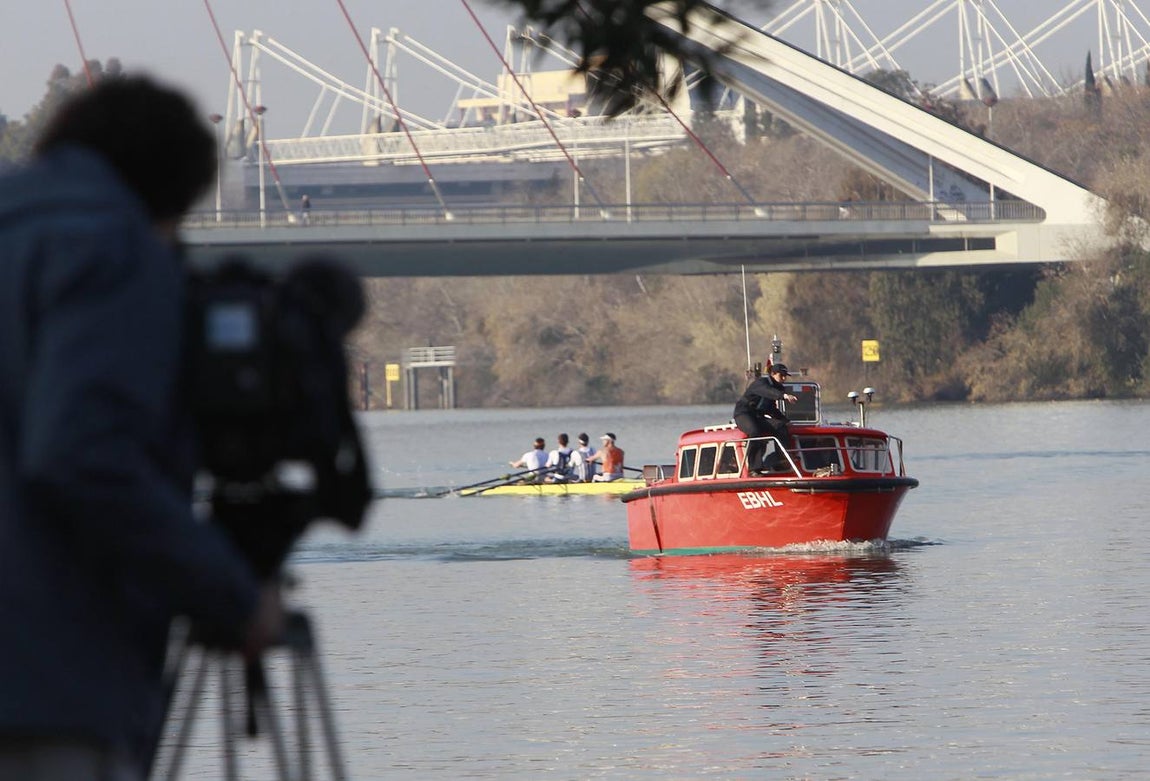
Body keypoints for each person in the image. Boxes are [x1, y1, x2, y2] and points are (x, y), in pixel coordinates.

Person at [0, 76, 282, 781]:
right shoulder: (110, 249)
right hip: (44, 693)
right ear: (167, 200)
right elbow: (80, 453)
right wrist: (230, 593)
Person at [733, 363, 799, 475]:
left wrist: (785, 421)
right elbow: (767, 392)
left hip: (758, 417)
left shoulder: (777, 388)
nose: (783, 378)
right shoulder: (761, 384)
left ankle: (782, 460)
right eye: (781, 375)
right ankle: (754, 468)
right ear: (773, 374)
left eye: (785, 376)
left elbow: (771, 409)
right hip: (743, 414)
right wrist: (784, 396)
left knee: (780, 426)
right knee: (755, 431)